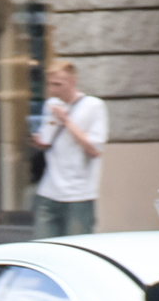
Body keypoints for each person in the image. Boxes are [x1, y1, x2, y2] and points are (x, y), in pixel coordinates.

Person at [30, 60, 107, 237]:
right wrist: (38, 141)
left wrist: (66, 121)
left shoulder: (93, 106)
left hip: (79, 195)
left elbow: (94, 150)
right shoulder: (51, 105)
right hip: (49, 191)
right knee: (42, 246)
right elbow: (47, 141)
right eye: (50, 84)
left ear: (72, 81)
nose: (53, 89)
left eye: (58, 84)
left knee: (76, 247)